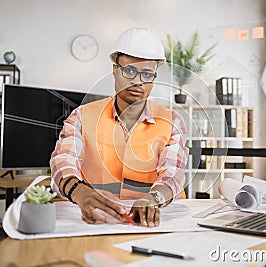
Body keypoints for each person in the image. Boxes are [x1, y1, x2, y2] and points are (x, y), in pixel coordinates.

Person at [50, 28, 188, 227]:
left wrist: (153, 199)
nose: (137, 81)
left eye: (147, 74)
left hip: (155, 222)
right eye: (129, 71)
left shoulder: (171, 121)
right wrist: (80, 193)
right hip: (95, 220)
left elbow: (173, 174)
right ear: (115, 69)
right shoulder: (82, 116)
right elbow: (63, 162)